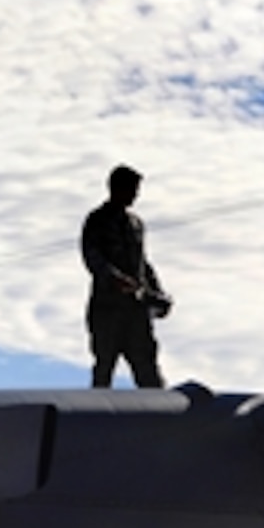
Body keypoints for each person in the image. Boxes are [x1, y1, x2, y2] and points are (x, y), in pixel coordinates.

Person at [81, 164, 172, 388]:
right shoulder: (97, 220)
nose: (135, 195)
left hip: (137, 312)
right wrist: (115, 279)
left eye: (136, 190)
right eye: (131, 189)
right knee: (104, 369)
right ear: (116, 188)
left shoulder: (136, 225)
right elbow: (92, 257)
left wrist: (158, 294)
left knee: (148, 371)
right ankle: (98, 418)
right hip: (107, 310)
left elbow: (143, 264)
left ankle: (161, 418)